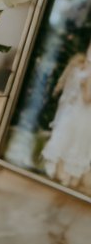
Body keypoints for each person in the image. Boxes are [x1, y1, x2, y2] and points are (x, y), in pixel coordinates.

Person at [41, 40, 91, 190]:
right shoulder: (84, 67)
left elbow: (87, 98)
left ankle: (67, 178)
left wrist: (83, 84)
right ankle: (66, 178)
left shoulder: (84, 69)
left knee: (73, 144)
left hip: (81, 114)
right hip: (79, 114)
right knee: (71, 144)